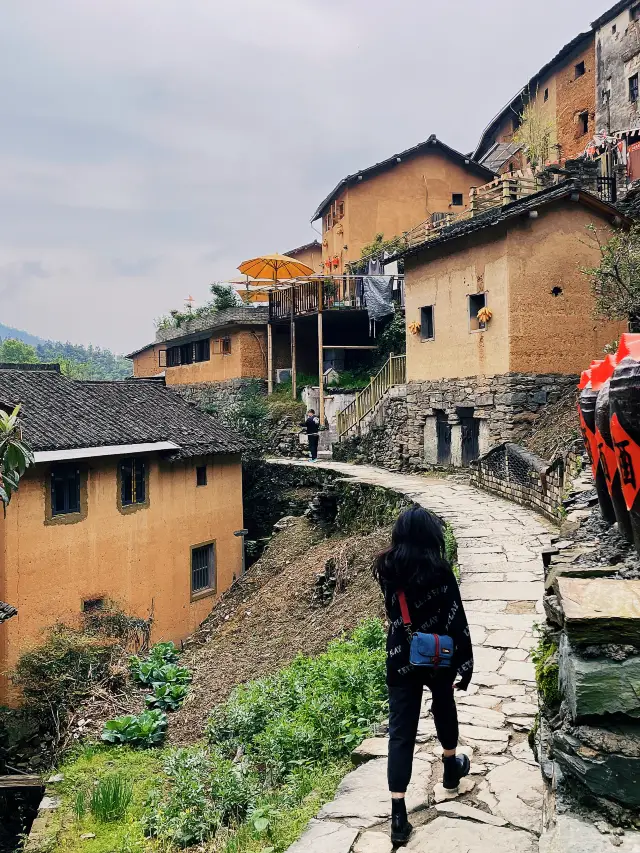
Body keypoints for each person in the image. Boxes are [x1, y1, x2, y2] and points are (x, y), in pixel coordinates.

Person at [373, 505, 474, 845]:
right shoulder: (441, 570)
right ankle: (450, 768)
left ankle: (398, 815)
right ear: (432, 535)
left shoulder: (387, 568)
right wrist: (464, 661)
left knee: (401, 732)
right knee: (444, 706)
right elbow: (456, 617)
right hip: (438, 654)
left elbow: (391, 612)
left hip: (401, 653)